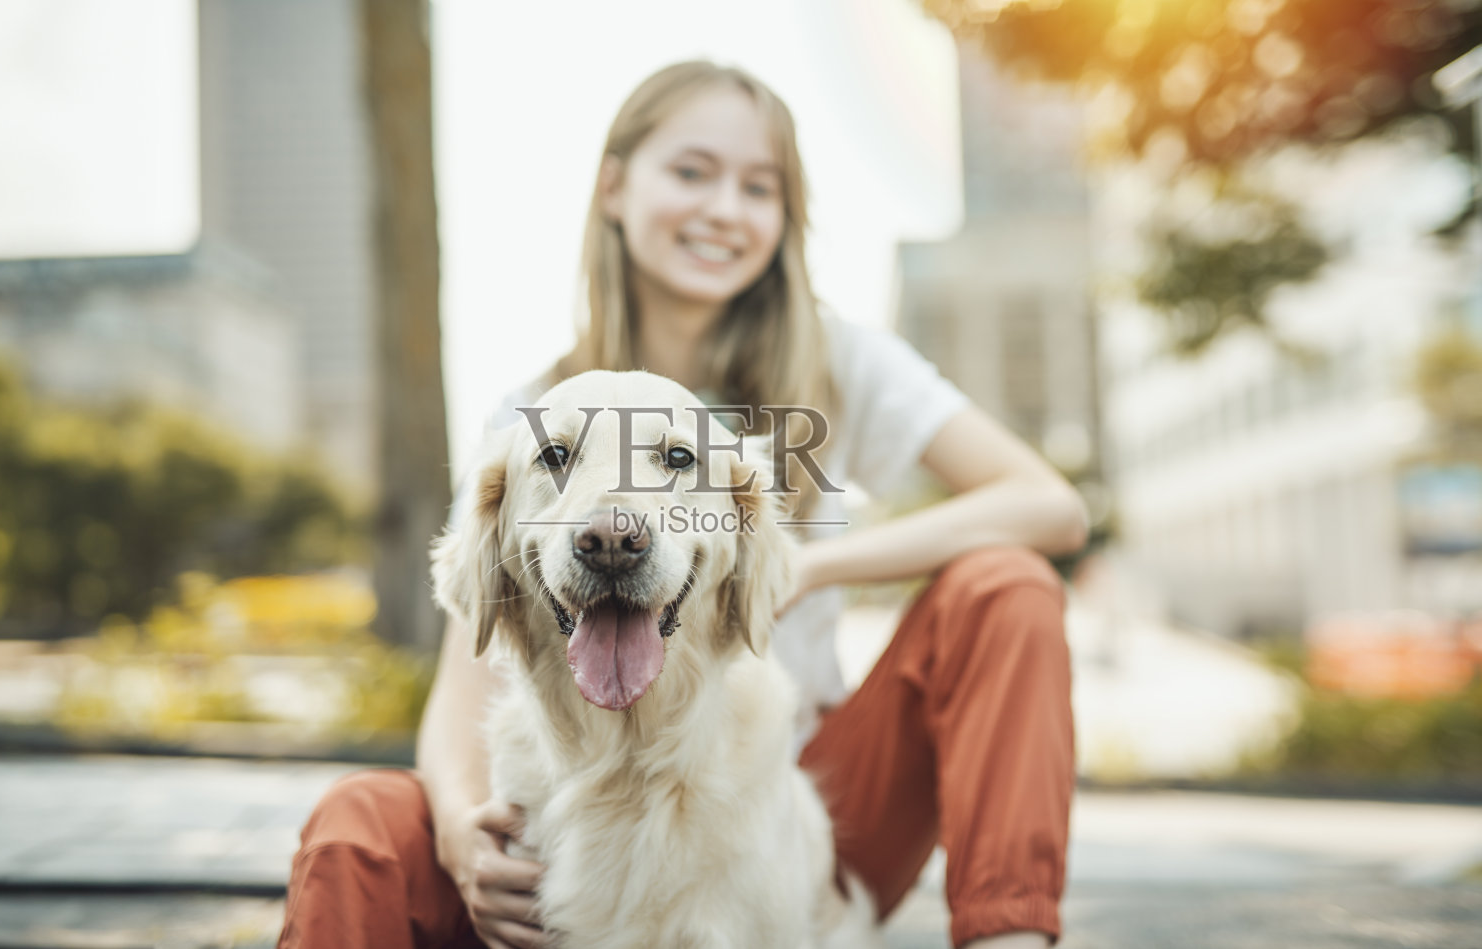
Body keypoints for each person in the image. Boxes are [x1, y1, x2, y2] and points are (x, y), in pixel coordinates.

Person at [279, 61, 1087, 949]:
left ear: (785, 218)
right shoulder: (529, 410)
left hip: (799, 801)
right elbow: (463, 676)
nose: (724, 209)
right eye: (692, 171)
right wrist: (460, 832)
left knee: (1006, 585)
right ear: (615, 187)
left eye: (759, 187)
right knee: (359, 820)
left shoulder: (842, 362)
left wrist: (804, 563)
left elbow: (1048, 505)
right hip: (561, 806)